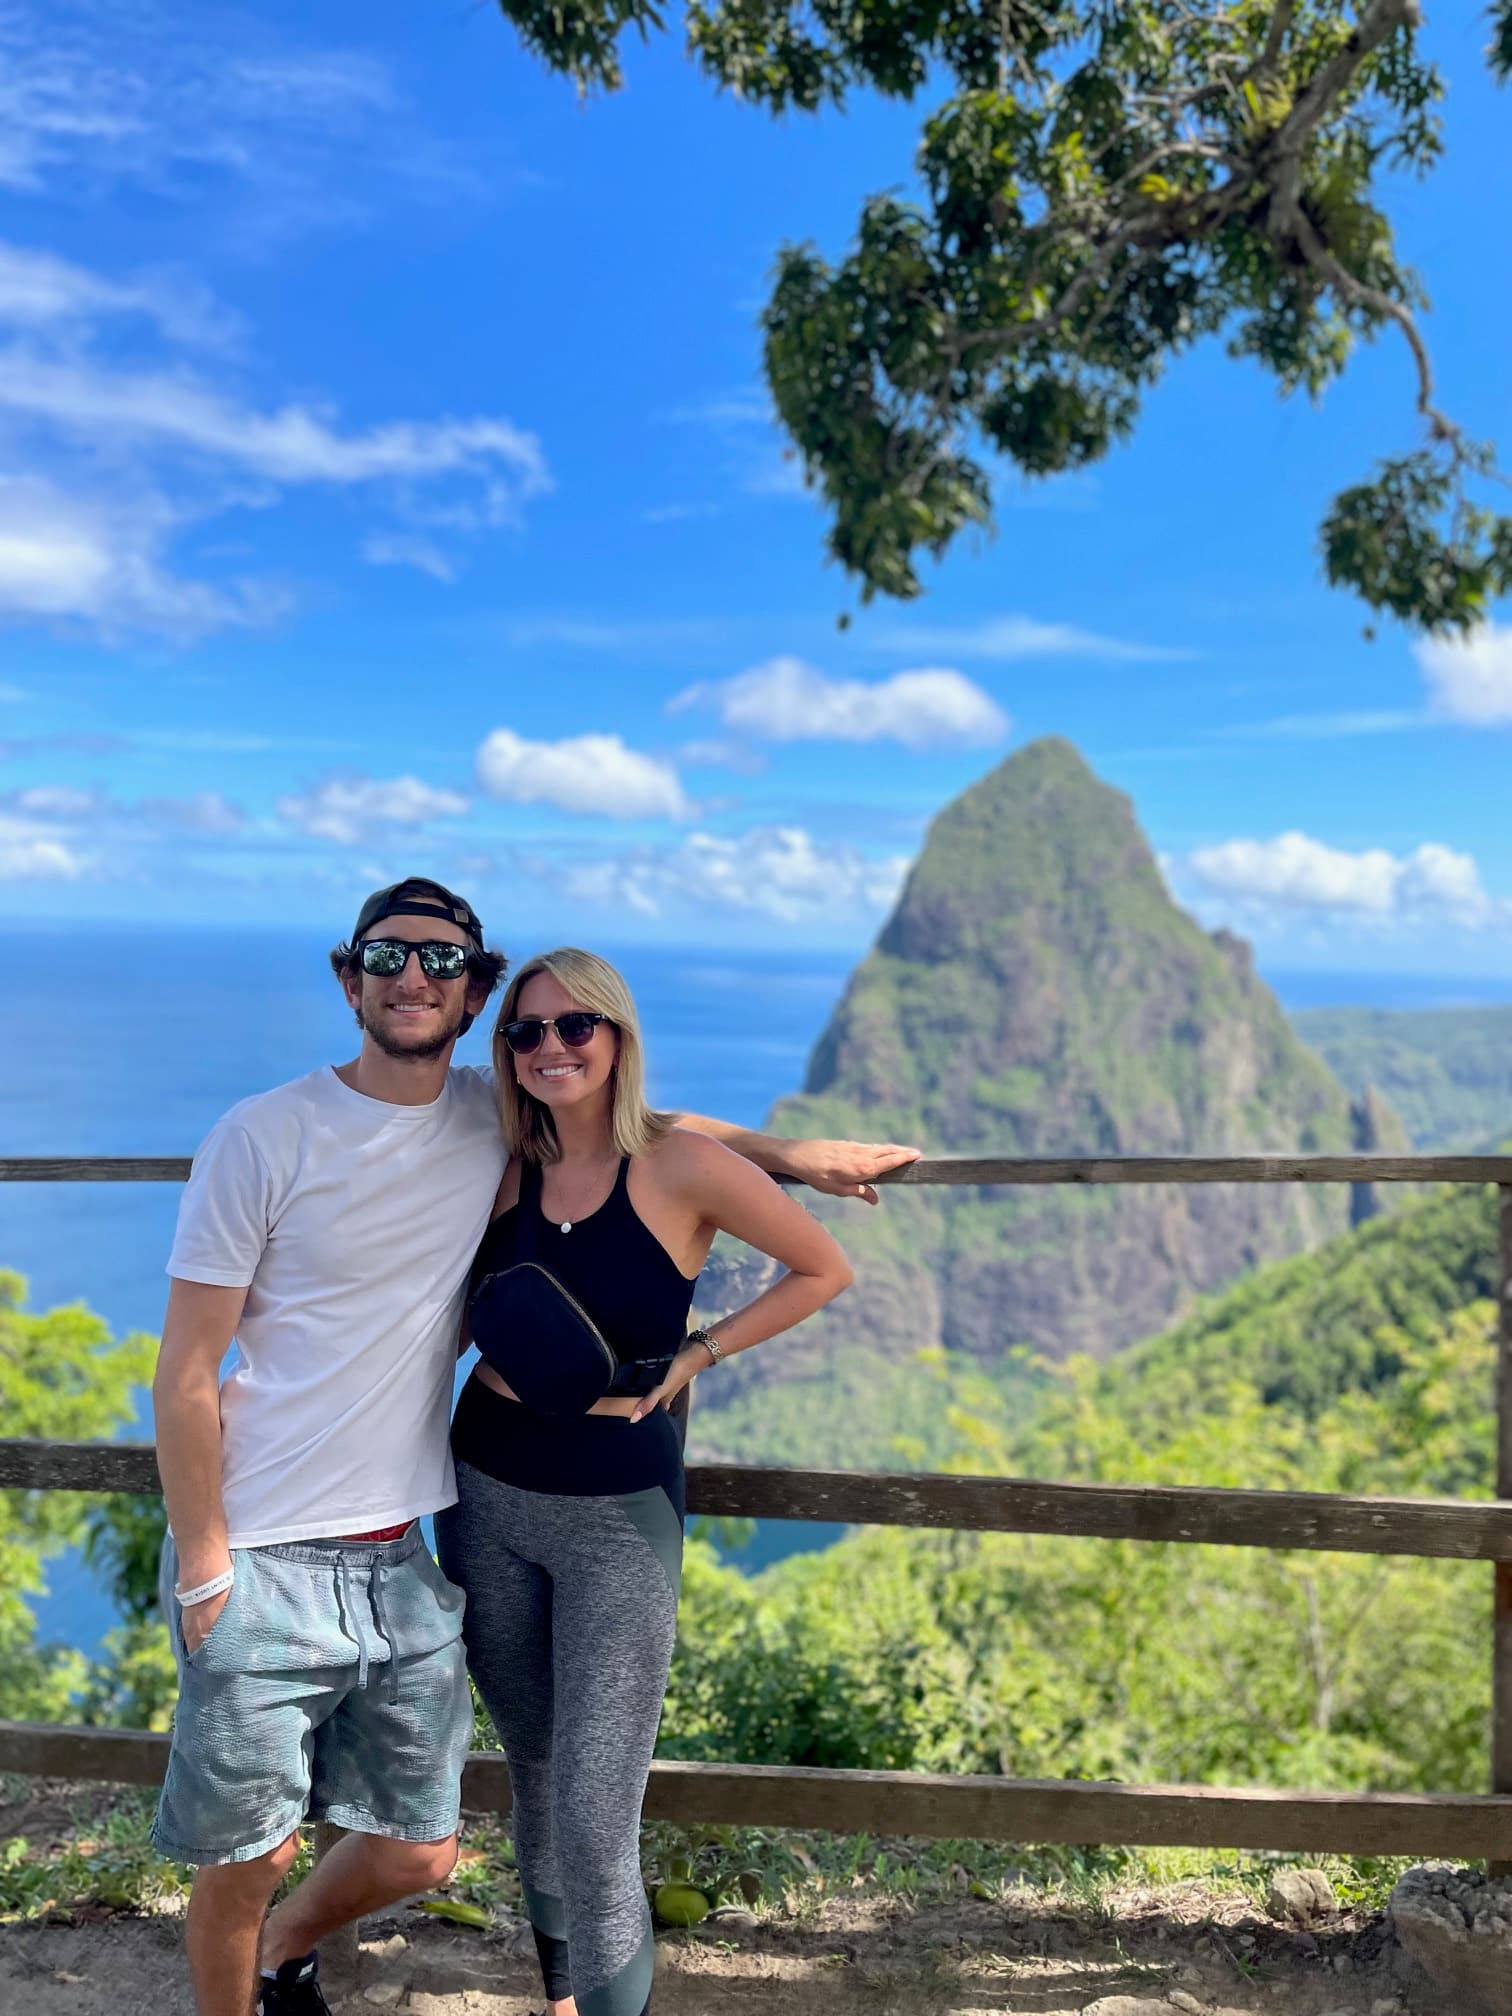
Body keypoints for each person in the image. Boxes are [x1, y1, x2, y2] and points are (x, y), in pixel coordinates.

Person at [150, 877, 918, 2016]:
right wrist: (205, 1559)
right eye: (390, 955)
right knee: (314, 1834)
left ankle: (320, 1955)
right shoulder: (339, 1133)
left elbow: (651, 1133)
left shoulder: (518, 1126)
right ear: (352, 976)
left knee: (498, 1836)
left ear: (474, 997)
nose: (417, 977)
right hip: (364, 1528)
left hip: (465, 1536)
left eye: (446, 964)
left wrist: (790, 1159)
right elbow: (184, 1369)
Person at [436, 946, 856, 2016]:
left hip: (617, 1514)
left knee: (593, 1802)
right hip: (484, 1487)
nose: (551, 1048)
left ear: (618, 1037)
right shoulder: (502, 1160)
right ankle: (565, 1997)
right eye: (526, 1033)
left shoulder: (679, 1166)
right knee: (535, 1773)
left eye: (577, 1026)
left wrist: (696, 1355)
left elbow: (824, 1269)